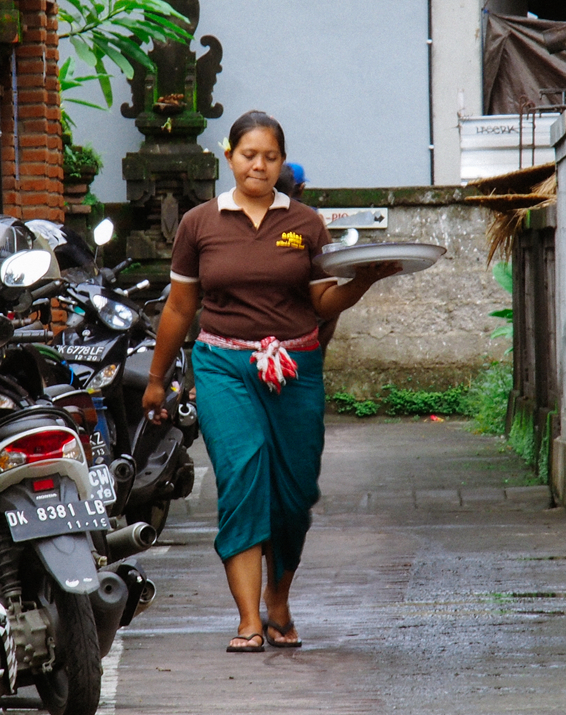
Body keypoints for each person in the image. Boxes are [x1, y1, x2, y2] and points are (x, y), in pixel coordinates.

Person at [142, 111, 399, 651]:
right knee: (242, 471)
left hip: (295, 371)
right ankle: (248, 620)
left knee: (293, 491)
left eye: (270, 156)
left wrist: (362, 283)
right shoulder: (199, 224)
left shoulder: (306, 223)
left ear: (281, 162)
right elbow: (181, 306)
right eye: (248, 154)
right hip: (222, 366)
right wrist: (157, 379)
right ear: (229, 155)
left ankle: (278, 603)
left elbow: (323, 303)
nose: (258, 165)